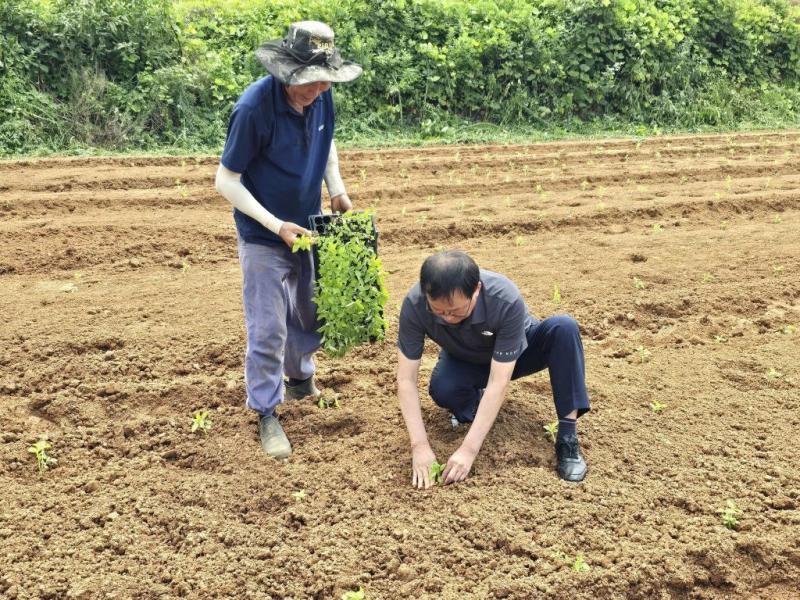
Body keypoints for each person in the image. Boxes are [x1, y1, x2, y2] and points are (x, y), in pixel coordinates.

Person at [214, 21, 362, 459]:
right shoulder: (254, 108)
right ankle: (265, 411)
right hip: (264, 235)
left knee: (309, 312)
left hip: (310, 226)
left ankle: (300, 380)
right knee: (268, 328)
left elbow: (326, 141)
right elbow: (225, 181)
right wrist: (275, 224)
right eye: (309, 82)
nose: (318, 90)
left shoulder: (320, 94)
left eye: (324, 81)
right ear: (286, 72)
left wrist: (336, 188)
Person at [396, 250, 591, 487]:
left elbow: (499, 381)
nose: (447, 318)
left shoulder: (505, 299)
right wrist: (420, 446)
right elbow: (406, 380)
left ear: (476, 289)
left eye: (456, 311)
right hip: (466, 358)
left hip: (518, 353)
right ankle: (475, 408)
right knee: (444, 388)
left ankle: (567, 437)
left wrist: (468, 450)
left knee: (564, 328)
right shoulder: (415, 304)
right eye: (439, 311)